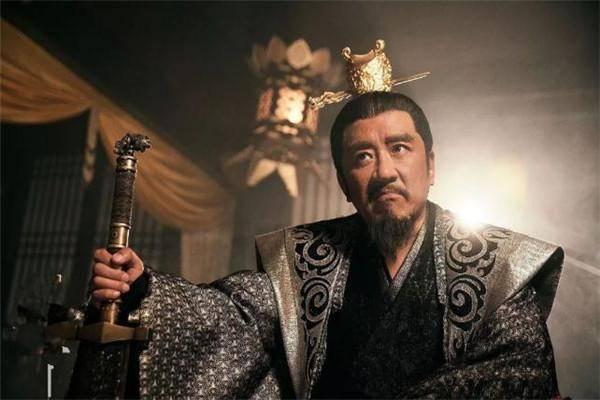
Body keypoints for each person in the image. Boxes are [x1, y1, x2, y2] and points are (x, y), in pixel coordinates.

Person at [71, 92, 564, 399]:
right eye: (362, 157)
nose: (384, 171)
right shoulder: (310, 259)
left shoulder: (495, 265)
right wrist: (143, 287)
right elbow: (234, 318)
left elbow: (519, 373)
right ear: (345, 183)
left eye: (399, 148)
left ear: (430, 166)